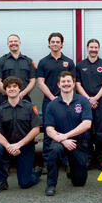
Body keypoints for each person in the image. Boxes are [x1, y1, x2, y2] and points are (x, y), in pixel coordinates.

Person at [0, 76, 42, 193]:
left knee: (25, 183)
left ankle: (36, 173)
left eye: (14, 87)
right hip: (6, 146)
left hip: (25, 147)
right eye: (9, 87)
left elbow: (36, 129)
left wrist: (19, 144)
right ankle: (1, 181)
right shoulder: (0, 110)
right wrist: (8, 146)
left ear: (19, 89)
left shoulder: (29, 107)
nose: (12, 89)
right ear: (5, 90)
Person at [44, 71, 92, 196]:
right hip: (59, 141)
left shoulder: (83, 101)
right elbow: (49, 129)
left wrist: (66, 135)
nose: (66, 84)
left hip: (78, 143)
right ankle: (51, 185)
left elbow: (87, 124)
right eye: (63, 82)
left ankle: (71, 167)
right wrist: (63, 140)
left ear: (74, 83)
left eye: (68, 81)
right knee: (54, 151)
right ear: (58, 85)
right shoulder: (52, 105)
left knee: (79, 182)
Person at [37, 32, 76, 171]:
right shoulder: (43, 62)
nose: (55, 44)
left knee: (66, 130)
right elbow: (40, 82)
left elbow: (73, 82)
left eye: (57, 42)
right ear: (49, 44)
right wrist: (53, 98)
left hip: (67, 102)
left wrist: (63, 98)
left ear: (61, 44)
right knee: (49, 132)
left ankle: (66, 162)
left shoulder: (69, 62)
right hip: (50, 101)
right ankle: (48, 163)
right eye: (52, 42)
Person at [76, 39, 102, 169]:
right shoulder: (80, 65)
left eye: (96, 47)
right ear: (87, 48)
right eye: (91, 47)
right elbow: (77, 84)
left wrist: (96, 98)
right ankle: (88, 158)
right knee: (85, 133)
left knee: (101, 132)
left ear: (99, 48)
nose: (93, 49)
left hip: (100, 101)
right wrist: (88, 99)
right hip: (84, 102)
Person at [0, 34, 36, 104]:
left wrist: (23, 93)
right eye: (11, 41)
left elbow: (33, 81)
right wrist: (10, 93)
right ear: (7, 44)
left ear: (19, 43)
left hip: (24, 98)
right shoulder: (1, 61)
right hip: (5, 99)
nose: (13, 43)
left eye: (15, 41)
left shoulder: (28, 61)